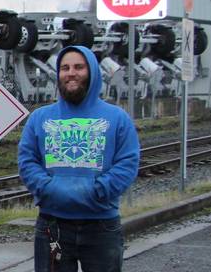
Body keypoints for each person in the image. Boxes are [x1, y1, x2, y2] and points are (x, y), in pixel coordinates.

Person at [18, 45, 139, 272]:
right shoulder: (40, 118)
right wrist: (48, 188)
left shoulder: (117, 118)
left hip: (102, 226)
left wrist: (98, 191)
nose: (71, 73)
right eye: (65, 68)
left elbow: (128, 163)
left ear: (92, 71)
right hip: (52, 226)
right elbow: (27, 160)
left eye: (78, 67)